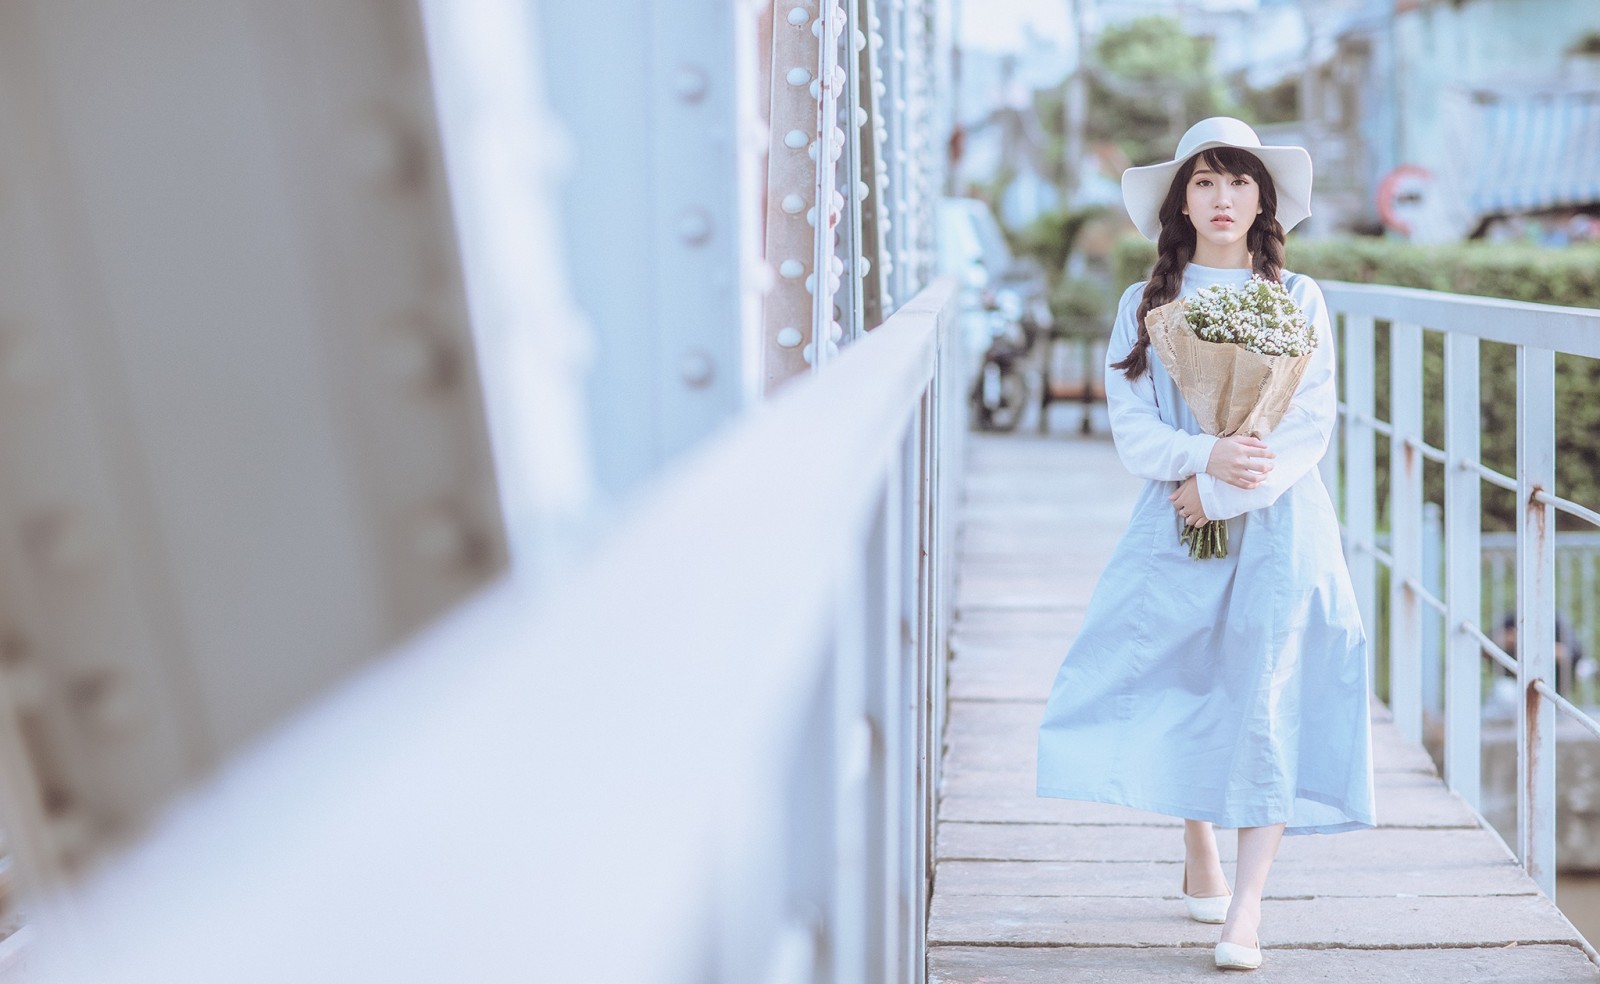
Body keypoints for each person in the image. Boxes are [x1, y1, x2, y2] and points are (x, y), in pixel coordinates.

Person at [1034, 117, 1376, 972]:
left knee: (1268, 692)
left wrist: (1221, 484)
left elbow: (1306, 427)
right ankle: (1199, 840)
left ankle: (1248, 907)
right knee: (1180, 674)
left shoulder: (1296, 299)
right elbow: (1133, 432)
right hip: (1175, 519)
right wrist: (1202, 457)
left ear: (1263, 197)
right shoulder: (1147, 303)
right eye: (1204, 182)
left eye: (1238, 182)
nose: (1222, 199)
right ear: (1180, 200)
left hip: (1281, 520)